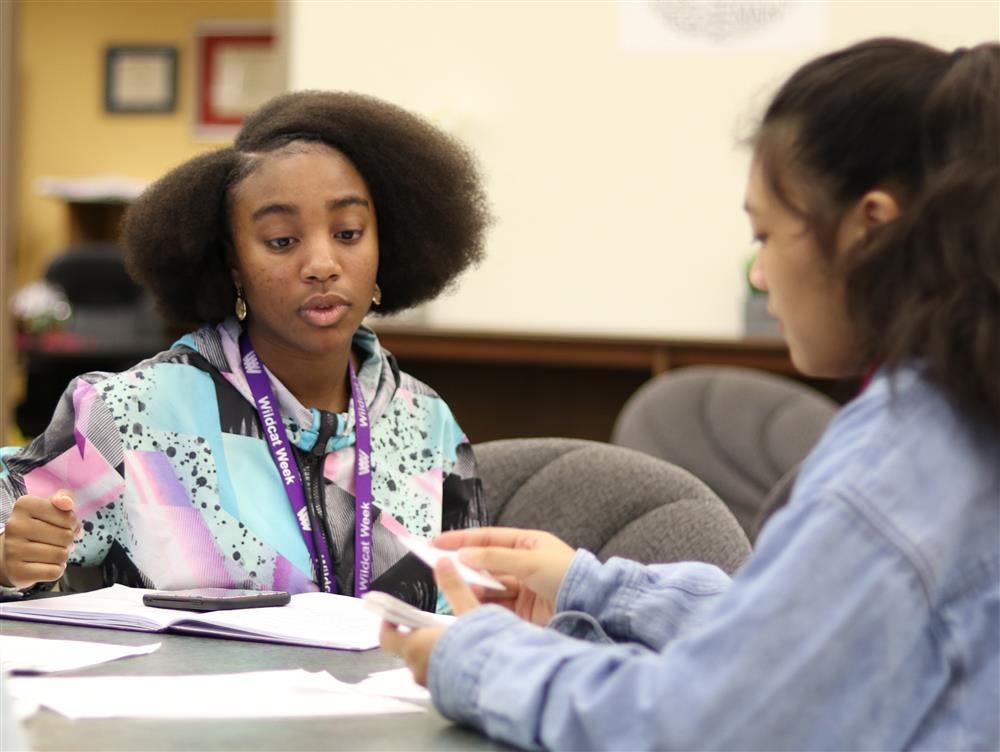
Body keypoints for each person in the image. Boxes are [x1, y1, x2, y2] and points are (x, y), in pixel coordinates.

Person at [381, 38, 1000, 750]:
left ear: (871, 230)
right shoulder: (961, 420)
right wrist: (592, 586)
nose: (760, 276)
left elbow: (699, 726)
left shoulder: (898, 471)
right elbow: (806, 642)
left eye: (765, 234)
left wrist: (479, 657)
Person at [0, 91, 492, 609]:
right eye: (281, 240)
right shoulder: (134, 413)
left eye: (348, 233)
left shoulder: (427, 423)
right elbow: (14, 507)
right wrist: (10, 553)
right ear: (232, 263)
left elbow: (473, 617)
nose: (322, 263)